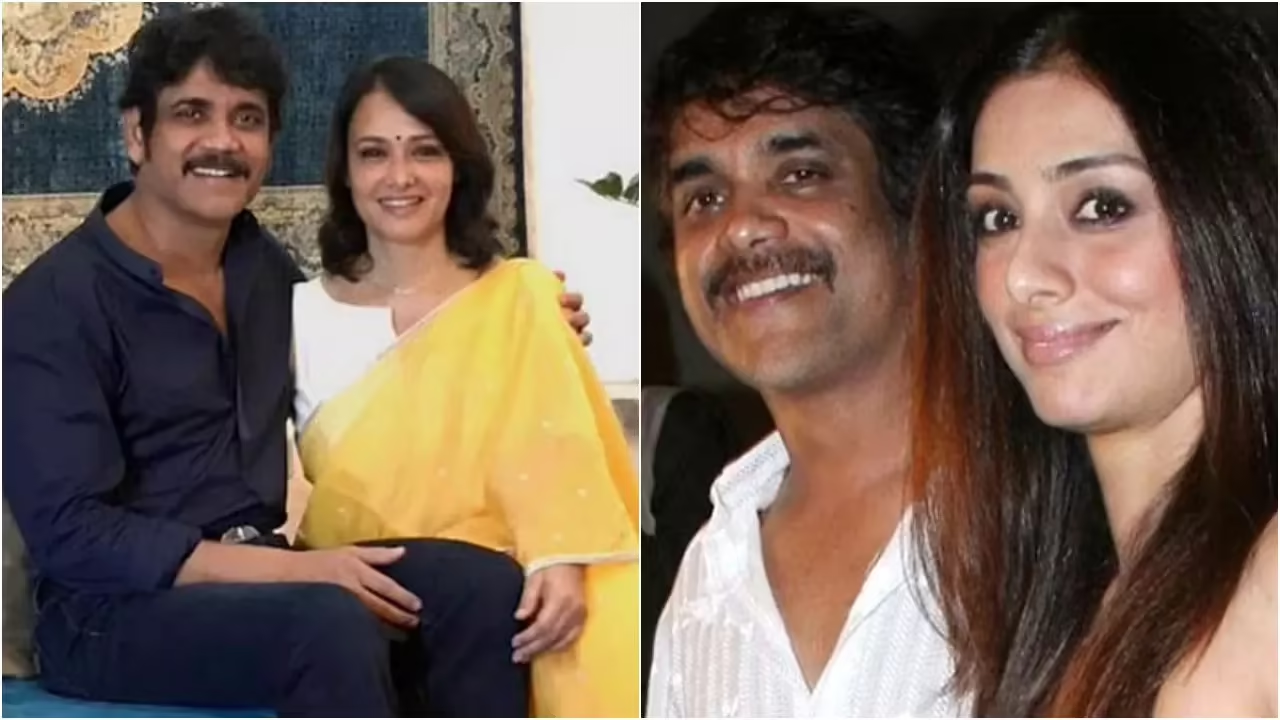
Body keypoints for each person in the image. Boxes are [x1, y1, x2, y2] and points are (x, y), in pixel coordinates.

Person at [2, 7, 592, 717]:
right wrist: (292, 571)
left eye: (247, 119)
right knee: (328, 623)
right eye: (192, 113)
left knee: (483, 588)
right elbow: (74, 535)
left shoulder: (262, 270)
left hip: (267, 570)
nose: (223, 141)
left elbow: (379, 350)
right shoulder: (53, 303)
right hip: (109, 612)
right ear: (137, 133)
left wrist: (523, 324)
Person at [909, 4, 1276, 716]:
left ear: (1235, 218)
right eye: (997, 219)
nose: (1025, 275)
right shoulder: (1053, 603)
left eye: (1102, 207)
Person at [290, 55, 640, 718]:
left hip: (499, 603)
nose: (400, 176)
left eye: (425, 151)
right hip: (359, 601)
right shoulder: (297, 314)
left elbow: (555, 455)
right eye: (374, 153)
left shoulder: (521, 297)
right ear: (346, 172)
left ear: (458, 166)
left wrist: (561, 558)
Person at [643, 5, 960, 716]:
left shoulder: (1058, 517)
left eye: (800, 173)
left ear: (916, 213)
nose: (742, 227)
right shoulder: (709, 577)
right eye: (704, 198)